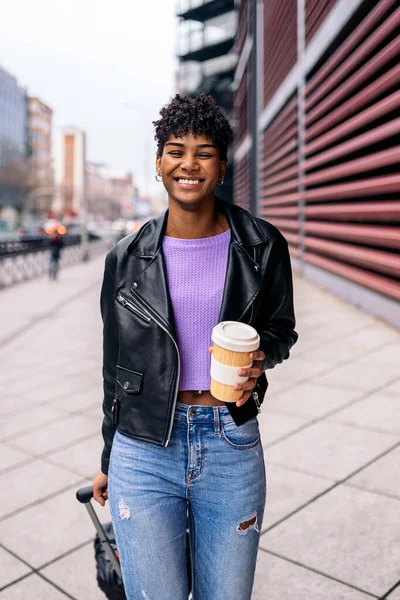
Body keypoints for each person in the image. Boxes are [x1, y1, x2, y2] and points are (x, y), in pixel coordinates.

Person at [93, 93, 297, 600]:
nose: (189, 163)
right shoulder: (126, 259)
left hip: (230, 440)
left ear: (222, 166)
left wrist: (259, 358)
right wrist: (107, 453)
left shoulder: (262, 245)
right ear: (159, 163)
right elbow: (114, 367)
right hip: (143, 449)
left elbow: (281, 327)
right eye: (176, 150)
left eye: (204, 152)